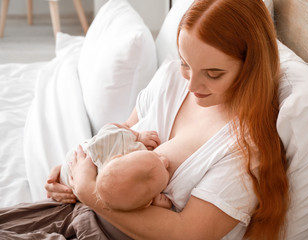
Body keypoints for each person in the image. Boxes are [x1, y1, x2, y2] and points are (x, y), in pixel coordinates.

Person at [1, 0, 288, 239]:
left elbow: (186, 233)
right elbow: (123, 133)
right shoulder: (172, 79)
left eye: (213, 74)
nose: (191, 86)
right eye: (186, 63)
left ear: (251, 67)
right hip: (75, 211)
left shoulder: (244, 150)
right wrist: (73, 172)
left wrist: (90, 192)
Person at [59, 123, 172, 211]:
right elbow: (109, 127)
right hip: (73, 171)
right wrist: (138, 135)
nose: (165, 161)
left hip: (81, 168)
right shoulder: (120, 140)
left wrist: (137, 135)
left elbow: (109, 127)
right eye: (156, 156)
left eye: (156, 156)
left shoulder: (120, 140)